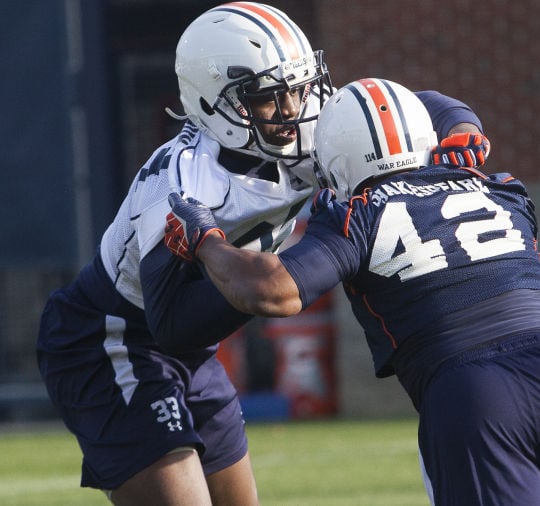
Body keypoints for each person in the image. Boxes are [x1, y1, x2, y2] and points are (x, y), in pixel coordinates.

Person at [36, 2, 488, 504]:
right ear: (212, 104)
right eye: (268, 98)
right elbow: (173, 325)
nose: (294, 110)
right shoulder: (186, 186)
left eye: (297, 88)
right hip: (112, 336)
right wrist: (253, 283)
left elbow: (420, 106)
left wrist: (463, 130)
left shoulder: (310, 122)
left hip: (192, 351)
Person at [164, 77, 540, 506]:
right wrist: (465, 128)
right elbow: (444, 110)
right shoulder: (504, 189)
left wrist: (206, 241)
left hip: (473, 393)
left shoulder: (356, 214)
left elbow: (270, 292)